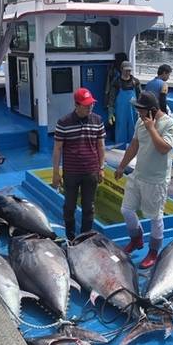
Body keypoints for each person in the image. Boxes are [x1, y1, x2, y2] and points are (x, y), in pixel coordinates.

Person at [114, 90, 173, 269]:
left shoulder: (170, 124)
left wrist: (151, 128)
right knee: (126, 210)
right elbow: (134, 145)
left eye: (141, 110)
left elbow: (164, 148)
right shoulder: (140, 122)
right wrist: (121, 166)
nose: (138, 113)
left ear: (151, 110)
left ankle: (153, 251)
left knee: (155, 217)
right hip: (138, 175)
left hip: (156, 180)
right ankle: (137, 239)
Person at [52, 87, 106, 241]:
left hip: (91, 171)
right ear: (77, 105)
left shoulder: (97, 120)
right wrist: (56, 173)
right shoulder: (63, 122)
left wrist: (101, 167)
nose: (90, 107)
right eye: (86, 105)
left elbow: (101, 146)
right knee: (69, 207)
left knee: (89, 208)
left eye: (92, 104)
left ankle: (84, 238)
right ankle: (70, 237)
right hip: (71, 172)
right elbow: (57, 149)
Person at [108, 60, 141, 147]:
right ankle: (119, 148)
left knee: (133, 128)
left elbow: (140, 96)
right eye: (126, 70)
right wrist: (111, 112)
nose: (128, 72)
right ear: (121, 69)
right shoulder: (116, 82)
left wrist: (141, 110)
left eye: (129, 70)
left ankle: (133, 148)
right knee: (120, 129)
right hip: (120, 110)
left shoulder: (135, 82)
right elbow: (111, 98)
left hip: (133, 110)